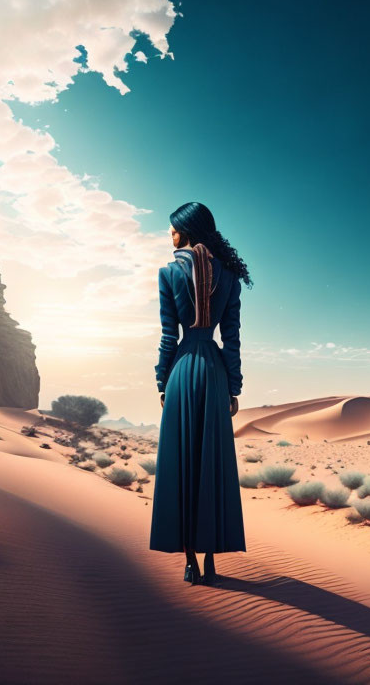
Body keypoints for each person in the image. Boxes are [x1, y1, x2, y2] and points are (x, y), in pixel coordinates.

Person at [149, 202, 252, 585]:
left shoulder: (167, 273)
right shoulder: (229, 277)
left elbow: (167, 337)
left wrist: (162, 380)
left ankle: (189, 560)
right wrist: (234, 386)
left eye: (174, 229)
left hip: (182, 370)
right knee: (212, 463)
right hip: (214, 372)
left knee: (183, 464)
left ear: (188, 231)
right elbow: (232, 339)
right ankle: (211, 558)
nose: (171, 235)